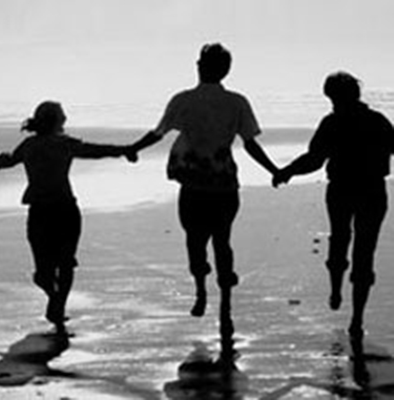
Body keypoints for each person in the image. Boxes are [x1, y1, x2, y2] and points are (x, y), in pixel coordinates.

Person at [130, 43, 279, 350]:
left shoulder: (183, 100)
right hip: (224, 182)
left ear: (200, 66)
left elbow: (158, 133)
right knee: (223, 241)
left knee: (195, 242)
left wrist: (132, 148)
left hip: (193, 184)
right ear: (226, 70)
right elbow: (250, 143)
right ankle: (226, 306)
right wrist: (274, 170)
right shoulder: (237, 102)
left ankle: (200, 290)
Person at [0, 101, 137, 333]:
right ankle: (56, 300)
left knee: (53, 268)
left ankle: (57, 303)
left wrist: (0, 160)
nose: (66, 119)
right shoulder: (59, 144)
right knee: (56, 268)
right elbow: (96, 151)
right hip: (60, 210)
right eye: (63, 116)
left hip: (48, 210)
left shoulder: (32, 145)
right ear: (56, 121)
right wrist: (125, 150)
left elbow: (8, 161)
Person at [273, 72, 394, 340]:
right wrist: (288, 170)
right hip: (373, 190)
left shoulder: (332, 122)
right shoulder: (378, 121)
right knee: (365, 250)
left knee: (339, 238)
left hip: (341, 189)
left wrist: (287, 171)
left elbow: (314, 159)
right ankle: (356, 317)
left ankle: (337, 289)